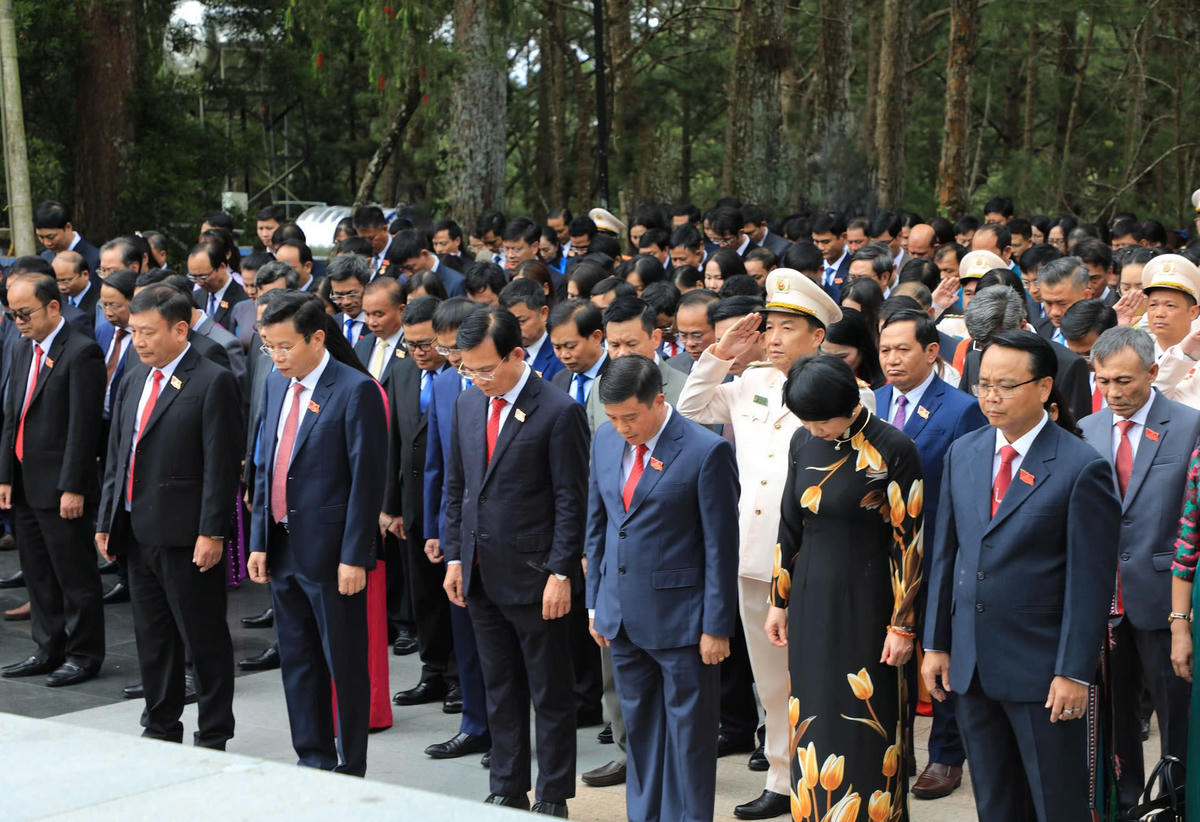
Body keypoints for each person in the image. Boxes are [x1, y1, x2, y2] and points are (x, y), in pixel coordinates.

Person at [678, 269, 873, 820]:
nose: (776, 337)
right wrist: (720, 353)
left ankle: (828, 775)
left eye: (790, 327)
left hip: (815, 564)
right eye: (772, 327)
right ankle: (784, 778)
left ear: (818, 337)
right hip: (753, 558)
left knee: (820, 676)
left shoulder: (852, 396)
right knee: (771, 683)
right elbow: (690, 412)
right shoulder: (751, 383)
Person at [922, 329, 1120, 822]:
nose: (991, 396)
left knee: (1056, 802)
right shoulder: (964, 452)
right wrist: (936, 643)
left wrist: (1073, 671)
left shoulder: (1080, 467)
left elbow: (1090, 582)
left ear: (1044, 386)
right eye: (983, 384)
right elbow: (946, 555)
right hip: (971, 666)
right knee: (994, 801)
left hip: (1042, 672)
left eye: (1006, 386)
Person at [441, 307, 589, 813]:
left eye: (487, 368)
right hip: (480, 572)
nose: (478, 379)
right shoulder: (465, 404)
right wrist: (456, 558)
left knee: (549, 692)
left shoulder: (556, 409)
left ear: (517, 354)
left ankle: (552, 794)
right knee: (498, 687)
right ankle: (507, 784)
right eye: (468, 368)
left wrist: (561, 571)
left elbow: (573, 498)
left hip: (535, 576)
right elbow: (458, 487)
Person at [764, 354, 923, 822]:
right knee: (811, 722)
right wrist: (779, 599)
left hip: (870, 603)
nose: (813, 429)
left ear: (850, 405)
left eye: (820, 420)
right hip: (813, 598)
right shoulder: (801, 441)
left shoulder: (893, 448)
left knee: (866, 724)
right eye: (805, 420)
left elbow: (909, 541)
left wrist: (902, 624)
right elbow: (790, 524)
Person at [586, 355, 739, 822]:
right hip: (622, 616)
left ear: (659, 400)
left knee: (690, 742)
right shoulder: (605, 441)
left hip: (684, 622)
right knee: (641, 733)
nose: (622, 428)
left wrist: (717, 625)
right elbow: (599, 527)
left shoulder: (703, 450)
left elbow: (720, 547)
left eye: (630, 417)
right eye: (612, 418)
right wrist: (595, 602)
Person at [247, 291, 388, 776]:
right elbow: (267, 465)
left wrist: (356, 556)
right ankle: (312, 755)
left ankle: (350, 762)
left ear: (317, 339)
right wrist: (259, 539)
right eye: (269, 346)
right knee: (297, 660)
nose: (277, 356)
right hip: (284, 546)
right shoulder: (273, 383)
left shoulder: (354, 390)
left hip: (332, 555)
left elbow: (367, 481)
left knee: (342, 663)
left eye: (285, 347)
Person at [94, 284, 242, 745]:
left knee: (203, 639)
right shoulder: (135, 375)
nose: (139, 341)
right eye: (134, 331)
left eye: (148, 332)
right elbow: (119, 454)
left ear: (181, 330)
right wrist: (106, 518)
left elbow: (220, 465)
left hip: (187, 533)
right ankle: (160, 725)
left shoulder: (212, 378)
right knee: (153, 637)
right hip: (137, 530)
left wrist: (212, 531)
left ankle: (214, 732)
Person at [1078, 326, 1197, 815]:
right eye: (1104, 382)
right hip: (1104, 605)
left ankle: (1176, 800)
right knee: (1116, 717)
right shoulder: (1086, 430)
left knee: (1176, 715)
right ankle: (1127, 802)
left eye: (1124, 381)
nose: (1113, 393)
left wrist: (1181, 619)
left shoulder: (1190, 426)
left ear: (1152, 372)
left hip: (1164, 599)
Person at [875, 309, 988, 800]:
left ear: (931, 352)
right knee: (884, 654)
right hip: (879, 551)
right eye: (885, 351)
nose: (893, 360)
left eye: (903, 350)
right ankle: (890, 749)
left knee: (938, 650)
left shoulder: (961, 408)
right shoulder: (870, 401)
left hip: (937, 549)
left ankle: (946, 754)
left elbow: (969, 484)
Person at [0, 274, 106, 686]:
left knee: (74, 574)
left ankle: (83, 654)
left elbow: (83, 429)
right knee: (37, 572)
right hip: (25, 481)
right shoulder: (23, 347)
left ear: (53, 308)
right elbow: (13, 414)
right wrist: (6, 475)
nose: (17, 321)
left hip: (62, 486)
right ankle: (48, 647)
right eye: (11, 314)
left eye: (24, 313)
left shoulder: (81, 353)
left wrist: (74, 485)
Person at [421, 298, 492, 761]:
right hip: (461, 529)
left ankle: (510, 729)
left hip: (511, 534)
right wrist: (436, 531)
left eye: (456, 349)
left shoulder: (511, 381)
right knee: (465, 632)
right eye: (445, 350)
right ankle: (475, 722)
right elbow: (438, 465)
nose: (451, 359)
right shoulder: (446, 384)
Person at [383, 296, 459, 711]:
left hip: (450, 504)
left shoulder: (462, 376)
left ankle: (458, 677)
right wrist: (390, 506)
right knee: (423, 597)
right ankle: (432, 672)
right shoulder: (401, 372)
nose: (419, 352)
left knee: (453, 598)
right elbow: (395, 441)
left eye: (427, 343)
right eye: (411, 344)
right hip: (413, 505)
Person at [499, 278, 564, 381]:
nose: (514, 329)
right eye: (509, 322)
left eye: (521, 321)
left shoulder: (562, 356)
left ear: (543, 313)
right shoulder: (503, 353)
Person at [188, 241, 249, 333]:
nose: (199, 283)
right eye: (193, 277)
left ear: (222, 267)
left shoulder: (243, 300)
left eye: (203, 277)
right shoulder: (194, 298)